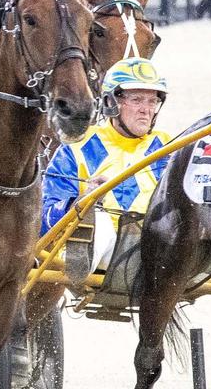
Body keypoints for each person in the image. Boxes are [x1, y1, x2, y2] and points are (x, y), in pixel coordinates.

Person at [41, 57, 171, 272]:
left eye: (152, 101)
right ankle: (81, 262)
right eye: (137, 100)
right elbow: (45, 214)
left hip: (158, 248)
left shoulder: (168, 146)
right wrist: (84, 202)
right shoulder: (77, 146)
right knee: (99, 221)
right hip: (104, 251)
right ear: (111, 102)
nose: (145, 110)